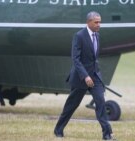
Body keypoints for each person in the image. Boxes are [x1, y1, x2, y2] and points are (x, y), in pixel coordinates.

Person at [54, 11, 115, 140]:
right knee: (71, 105)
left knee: (100, 102)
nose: (99, 25)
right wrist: (85, 76)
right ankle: (58, 130)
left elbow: (93, 58)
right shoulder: (79, 36)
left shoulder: (97, 36)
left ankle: (107, 134)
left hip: (95, 76)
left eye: (100, 22)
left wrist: (94, 74)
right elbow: (76, 59)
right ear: (89, 22)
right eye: (96, 22)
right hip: (81, 78)